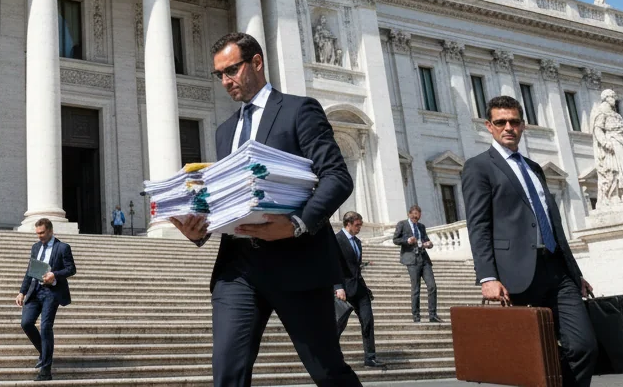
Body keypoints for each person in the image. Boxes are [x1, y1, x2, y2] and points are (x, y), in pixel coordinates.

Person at [170, 32, 361, 387]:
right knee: (227, 374)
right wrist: (201, 227)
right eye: (220, 75)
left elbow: (337, 176)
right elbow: (230, 199)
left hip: (296, 260)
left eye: (232, 70)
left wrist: (297, 223)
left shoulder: (298, 110)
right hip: (238, 267)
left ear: (256, 62)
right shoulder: (225, 130)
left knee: (327, 369)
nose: (226, 81)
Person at [462, 95, 597, 387]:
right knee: (532, 355)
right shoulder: (479, 167)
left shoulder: (535, 169)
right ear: (489, 126)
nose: (508, 127)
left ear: (523, 126)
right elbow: (479, 226)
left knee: (584, 346)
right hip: (516, 275)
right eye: (501, 122)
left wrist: (576, 273)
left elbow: (553, 223)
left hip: (557, 270)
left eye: (514, 121)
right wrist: (487, 276)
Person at [14, 218, 75, 381]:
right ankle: (45, 352)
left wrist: (55, 274)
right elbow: (30, 270)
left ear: (50, 231)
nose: (39, 236)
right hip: (35, 291)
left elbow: (71, 269)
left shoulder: (62, 247)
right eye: (37, 233)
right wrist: (22, 292)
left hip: (52, 292)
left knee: (46, 326)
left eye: (42, 233)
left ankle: (45, 370)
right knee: (26, 323)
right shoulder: (35, 247)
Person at [334, 211, 382, 368]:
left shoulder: (358, 242)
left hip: (360, 288)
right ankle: (331, 356)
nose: (359, 228)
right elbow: (333, 265)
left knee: (368, 321)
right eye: (357, 225)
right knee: (338, 324)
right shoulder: (336, 239)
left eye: (360, 225)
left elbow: (354, 266)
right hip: (344, 291)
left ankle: (370, 357)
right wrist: (338, 287)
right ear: (348, 224)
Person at [392, 206, 441, 323]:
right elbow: (395, 239)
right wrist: (407, 240)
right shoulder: (402, 224)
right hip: (411, 259)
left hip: (424, 258)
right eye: (414, 214)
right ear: (409, 214)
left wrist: (429, 244)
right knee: (416, 288)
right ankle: (416, 316)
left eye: (418, 215)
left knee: (432, 286)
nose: (416, 217)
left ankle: (432, 315)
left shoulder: (421, 226)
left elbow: (426, 240)